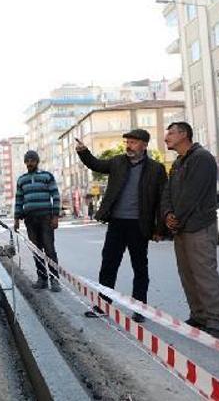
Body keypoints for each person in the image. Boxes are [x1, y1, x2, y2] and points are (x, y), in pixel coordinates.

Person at [75, 129, 167, 323]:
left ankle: (139, 308)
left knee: (140, 268)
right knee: (108, 265)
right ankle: (103, 304)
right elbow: (97, 164)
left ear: (144, 145)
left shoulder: (156, 169)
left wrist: (160, 229)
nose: (128, 146)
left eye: (133, 142)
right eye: (127, 142)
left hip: (140, 225)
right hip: (116, 223)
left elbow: (162, 200)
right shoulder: (117, 162)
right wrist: (84, 151)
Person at [161, 122, 219, 339]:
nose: (166, 137)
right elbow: (168, 193)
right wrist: (167, 214)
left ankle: (217, 322)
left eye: (171, 133)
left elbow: (193, 194)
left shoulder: (202, 158)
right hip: (181, 228)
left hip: (199, 226)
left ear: (184, 134)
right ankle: (199, 317)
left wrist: (176, 217)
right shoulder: (178, 163)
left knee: (204, 275)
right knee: (187, 275)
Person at [13, 150, 62, 292]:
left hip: (46, 218)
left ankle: (55, 280)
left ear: (37, 161)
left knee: (49, 249)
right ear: (25, 162)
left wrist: (55, 216)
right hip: (30, 219)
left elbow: (56, 196)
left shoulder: (47, 176)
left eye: (32, 160)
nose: (29, 163)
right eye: (27, 161)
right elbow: (19, 200)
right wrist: (16, 220)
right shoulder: (21, 180)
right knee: (36, 250)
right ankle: (42, 279)